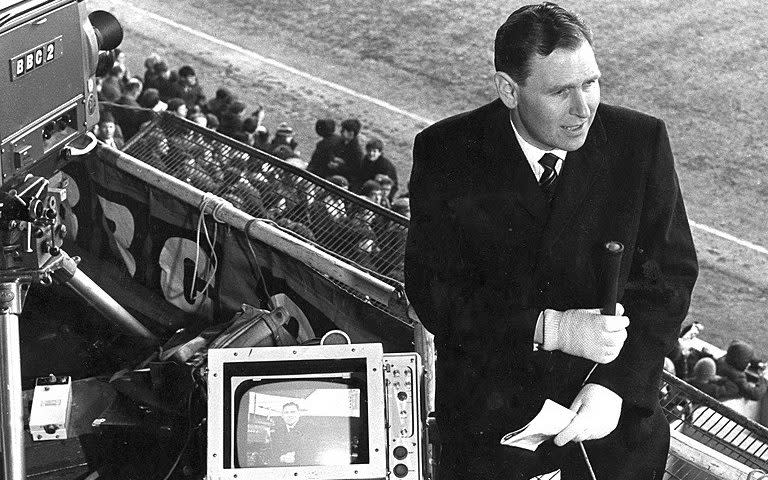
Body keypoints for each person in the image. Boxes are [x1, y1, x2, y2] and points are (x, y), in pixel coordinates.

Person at [404, 3, 698, 480]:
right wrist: (552, 328)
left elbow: (671, 276)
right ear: (508, 90)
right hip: (491, 432)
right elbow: (433, 291)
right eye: (562, 91)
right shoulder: (447, 152)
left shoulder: (639, 142)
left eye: (591, 83)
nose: (584, 108)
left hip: (612, 438)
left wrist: (616, 387)